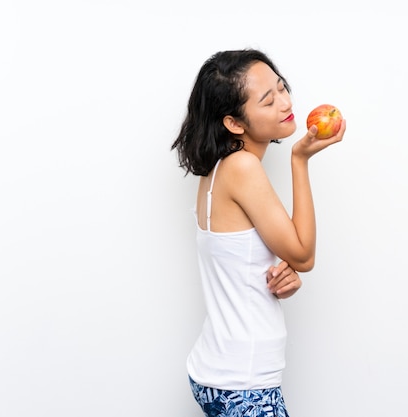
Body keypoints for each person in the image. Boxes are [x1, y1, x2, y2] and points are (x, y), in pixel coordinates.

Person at [171, 48, 345, 417]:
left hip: (219, 369)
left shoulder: (219, 170)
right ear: (235, 123)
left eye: (282, 88)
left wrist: (284, 276)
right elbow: (303, 255)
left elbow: (248, 264)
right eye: (268, 100)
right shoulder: (244, 167)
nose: (285, 102)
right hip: (243, 384)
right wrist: (300, 160)